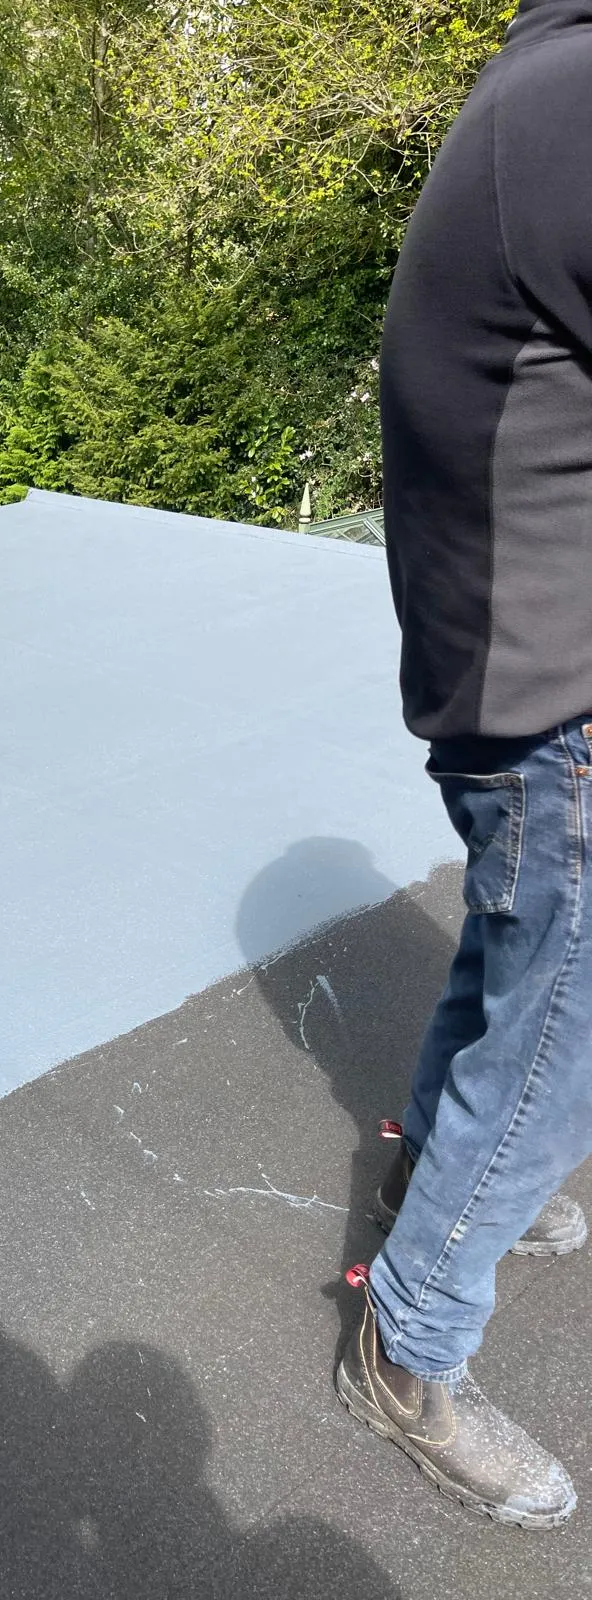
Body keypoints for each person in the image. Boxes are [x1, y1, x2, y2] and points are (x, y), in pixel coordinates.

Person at [335, 0, 592, 1531]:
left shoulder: (537, 86)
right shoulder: (578, 103)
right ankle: (410, 1351)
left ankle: (436, 1167)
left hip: (508, 671)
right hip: (553, 688)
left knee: (519, 962)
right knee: (559, 1037)